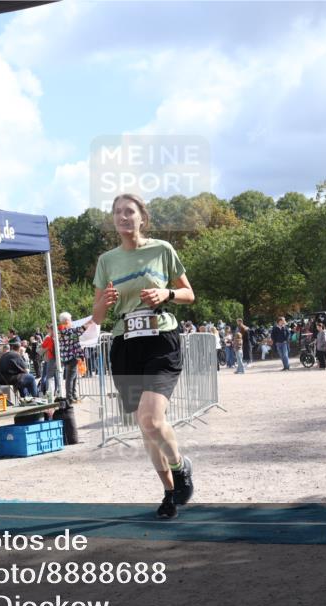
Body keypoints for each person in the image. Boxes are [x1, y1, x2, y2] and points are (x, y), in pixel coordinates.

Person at [92, 193, 195, 520]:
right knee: (145, 426)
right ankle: (169, 492)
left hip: (160, 339)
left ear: (142, 218)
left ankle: (180, 466)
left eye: (129, 211)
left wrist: (167, 293)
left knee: (151, 419)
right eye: (117, 212)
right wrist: (104, 303)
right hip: (125, 345)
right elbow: (96, 316)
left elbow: (189, 294)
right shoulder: (106, 260)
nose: (123, 217)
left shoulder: (162, 250)